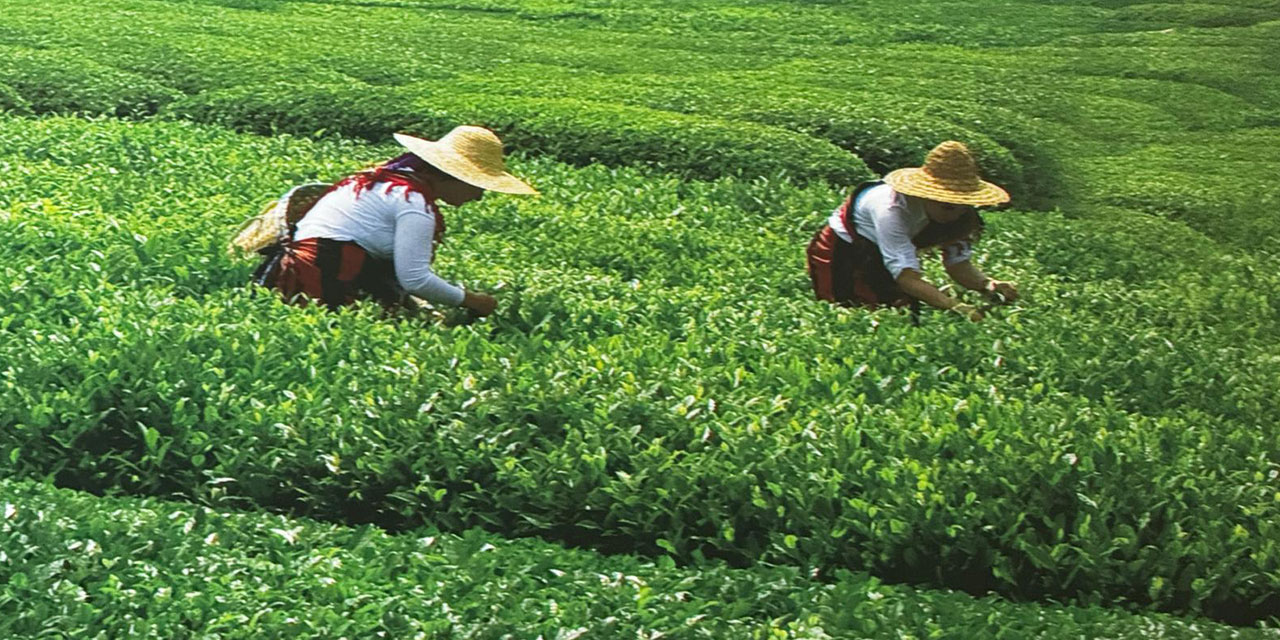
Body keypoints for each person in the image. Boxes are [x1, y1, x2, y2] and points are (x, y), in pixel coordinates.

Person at [248, 125, 536, 316]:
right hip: (319, 279)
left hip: (293, 272)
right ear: (453, 178)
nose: (479, 196)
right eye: (478, 185)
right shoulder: (413, 203)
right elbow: (415, 279)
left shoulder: (386, 183)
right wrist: (473, 301)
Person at [806, 141, 1019, 322]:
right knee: (855, 310)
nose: (956, 214)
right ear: (929, 196)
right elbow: (907, 278)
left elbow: (958, 265)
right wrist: (955, 306)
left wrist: (988, 285)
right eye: (949, 207)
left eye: (964, 206)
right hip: (846, 249)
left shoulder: (959, 216)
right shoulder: (891, 211)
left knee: (904, 309)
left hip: (888, 250)